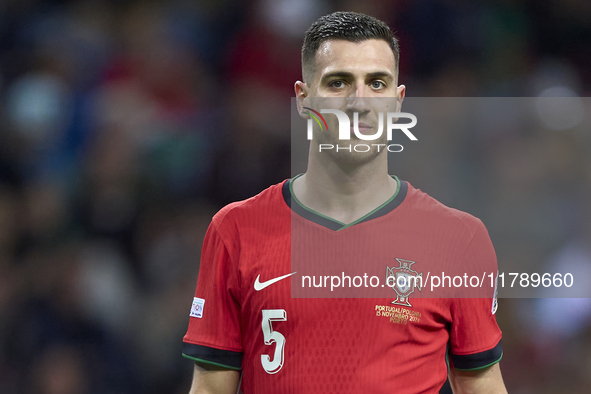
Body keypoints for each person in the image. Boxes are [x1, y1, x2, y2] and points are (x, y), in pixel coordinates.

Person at [182, 11, 507, 393]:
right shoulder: (234, 230)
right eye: (338, 82)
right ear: (303, 98)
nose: (359, 102)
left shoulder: (458, 238)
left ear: (398, 101)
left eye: (377, 83)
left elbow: (481, 381)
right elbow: (210, 387)